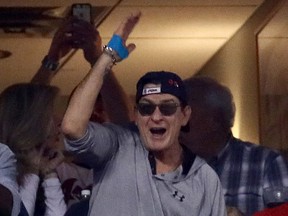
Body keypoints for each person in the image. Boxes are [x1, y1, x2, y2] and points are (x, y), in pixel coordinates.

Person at [61, 12, 226, 216]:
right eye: (147, 108)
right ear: (136, 116)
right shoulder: (118, 147)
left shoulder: (204, 178)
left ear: (184, 115)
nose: (156, 116)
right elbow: (72, 127)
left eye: (167, 108)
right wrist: (106, 57)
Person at [31, 16, 133, 208]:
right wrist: (51, 59)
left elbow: (126, 123)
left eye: (101, 109)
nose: (92, 115)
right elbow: (26, 117)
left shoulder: (125, 164)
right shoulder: (50, 165)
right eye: (85, 108)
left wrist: (98, 59)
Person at [181, 76, 288, 215]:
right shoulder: (164, 167)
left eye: (186, 114)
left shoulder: (265, 163)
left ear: (214, 120)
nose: (177, 123)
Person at [0, 83, 67, 216]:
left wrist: (49, 174)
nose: (60, 120)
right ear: (31, 121)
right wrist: (32, 173)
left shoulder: (33, 168)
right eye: (51, 113)